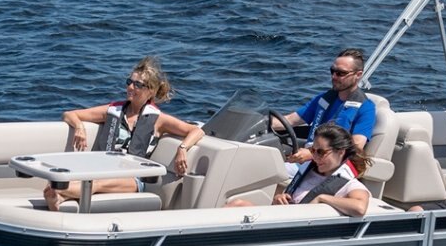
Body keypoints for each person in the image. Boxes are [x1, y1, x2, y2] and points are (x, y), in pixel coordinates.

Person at [43, 56, 203, 212]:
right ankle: (58, 199)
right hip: (103, 169)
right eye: (129, 82)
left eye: (138, 85)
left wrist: (182, 149)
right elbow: (69, 114)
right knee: (82, 178)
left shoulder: (159, 120)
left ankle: (59, 193)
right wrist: (79, 127)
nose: (131, 87)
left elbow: (196, 130)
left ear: (151, 91)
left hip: (133, 179)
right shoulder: (113, 110)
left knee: (96, 183)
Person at [229, 123, 373, 217]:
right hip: (280, 218)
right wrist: (278, 198)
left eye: (321, 152)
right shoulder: (308, 172)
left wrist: (322, 198)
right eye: (313, 151)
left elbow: (360, 208)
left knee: (236, 207)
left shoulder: (350, 185)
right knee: (236, 204)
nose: (315, 157)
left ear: (340, 152)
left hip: (292, 231)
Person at [275, 48, 377, 173]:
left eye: (340, 73)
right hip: (306, 161)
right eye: (332, 71)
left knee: (264, 171)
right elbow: (291, 120)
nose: (334, 76)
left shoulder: (366, 108)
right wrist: (262, 123)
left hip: (326, 167)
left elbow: (356, 147)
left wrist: (313, 154)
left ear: (358, 75)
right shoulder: (325, 98)